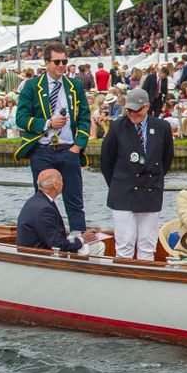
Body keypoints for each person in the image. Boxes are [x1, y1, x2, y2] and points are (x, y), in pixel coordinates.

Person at [14, 43, 91, 236]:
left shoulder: (75, 86)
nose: (61, 66)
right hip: (43, 150)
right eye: (57, 62)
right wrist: (48, 123)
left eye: (64, 61)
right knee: (42, 199)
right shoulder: (32, 86)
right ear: (46, 62)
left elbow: (84, 118)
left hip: (68, 149)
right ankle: (46, 237)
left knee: (74, 199)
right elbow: (21, 119)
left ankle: (77, 237)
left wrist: (78, 146)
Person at [98, 87, 175, 261]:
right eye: (129, 110)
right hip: (123, 192)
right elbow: (106, 160)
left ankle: (146, 280)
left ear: (147, 107)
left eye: (137, 110)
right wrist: (118, 184)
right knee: (124, 244)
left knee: (147, 245)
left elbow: (166, 158)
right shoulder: (117, 126)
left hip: (150, 191)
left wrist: (155, 179)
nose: (133, 114)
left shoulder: (162, 127)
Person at [16, 168, 99, 253]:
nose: (63, 183)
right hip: (40, 254)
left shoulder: (35, 200)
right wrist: (82, 239)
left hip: (37, 248)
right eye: (61, 180)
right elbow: (56, 244)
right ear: (55, 185)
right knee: (98, 246)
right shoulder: (45, 209)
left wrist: (79, 236)